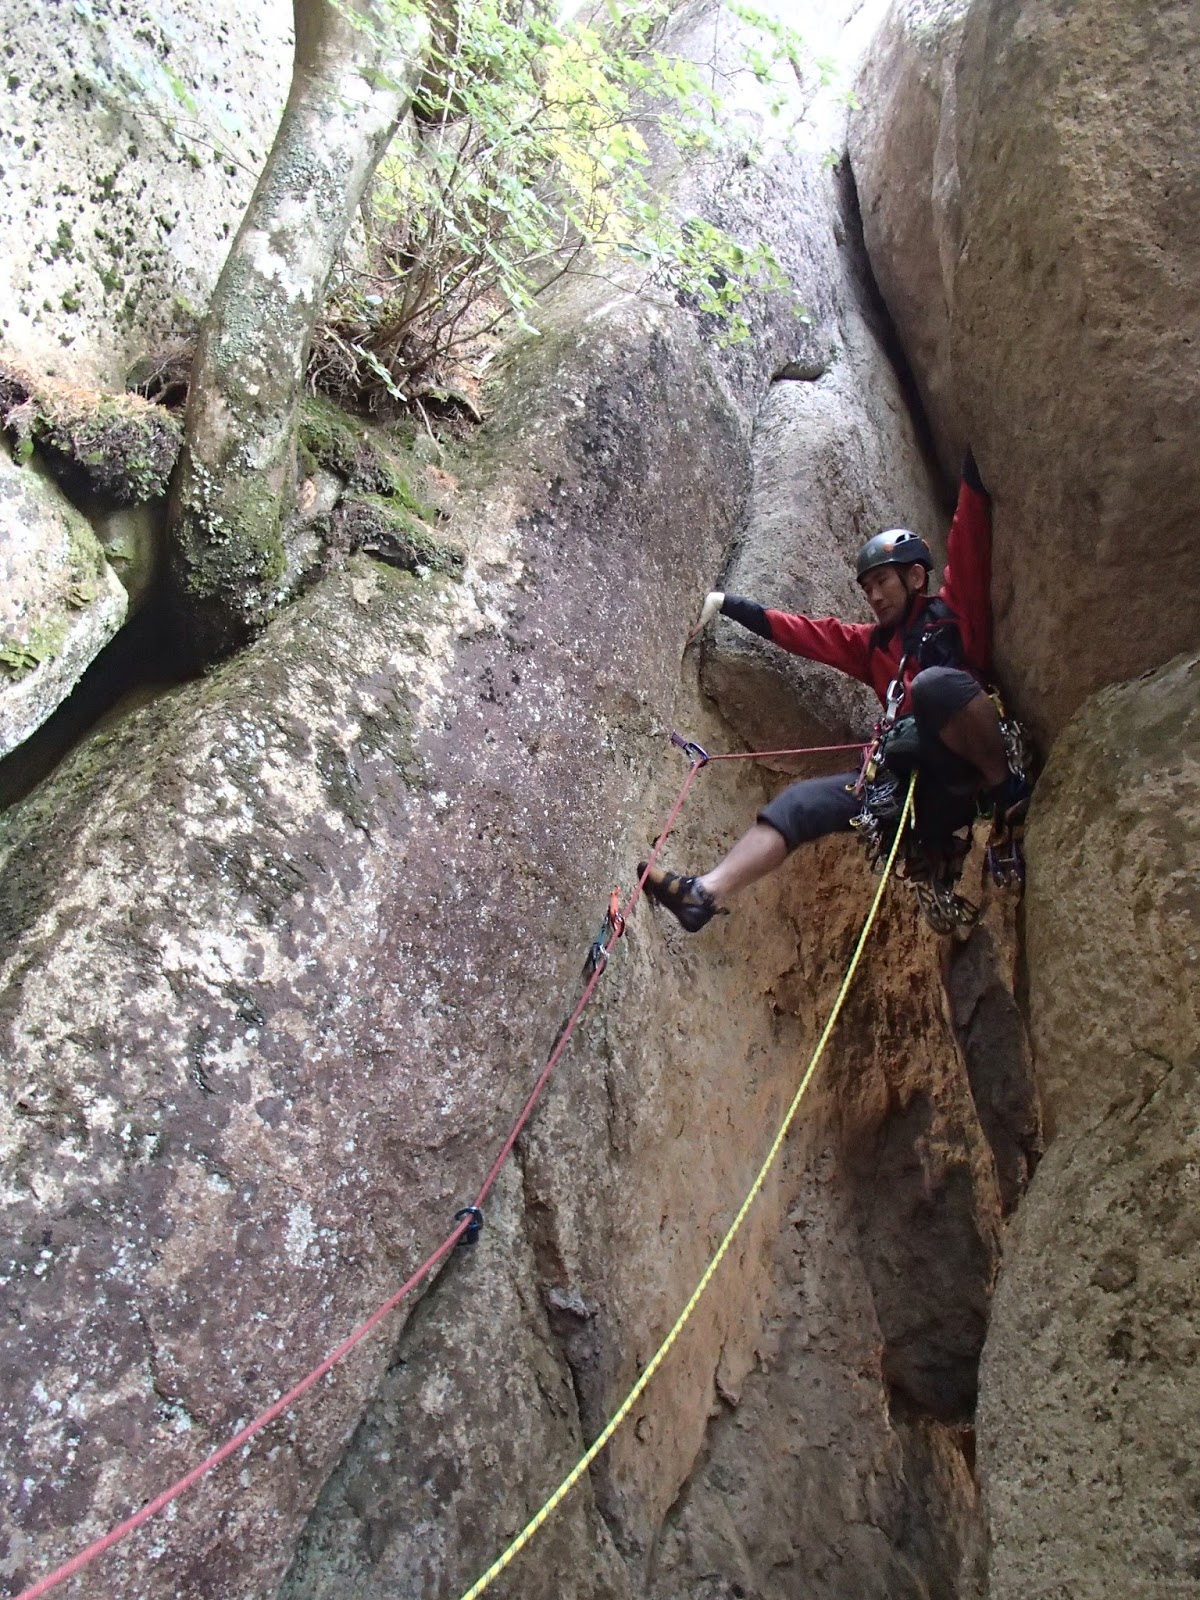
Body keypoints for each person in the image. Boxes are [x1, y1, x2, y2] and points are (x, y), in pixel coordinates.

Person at [640, 451, 1028, 932]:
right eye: (867, 589)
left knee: (934, 687)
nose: (875, 596)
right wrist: (725, 604)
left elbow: (968, 541)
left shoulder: (953, 614)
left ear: (914, 576)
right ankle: (703, 894)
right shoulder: (873, 647)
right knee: (799, 804)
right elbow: (807, 634)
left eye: (882, 581)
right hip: (914, 790)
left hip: (967, 762)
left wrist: (972, 464)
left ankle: (1007, 790)